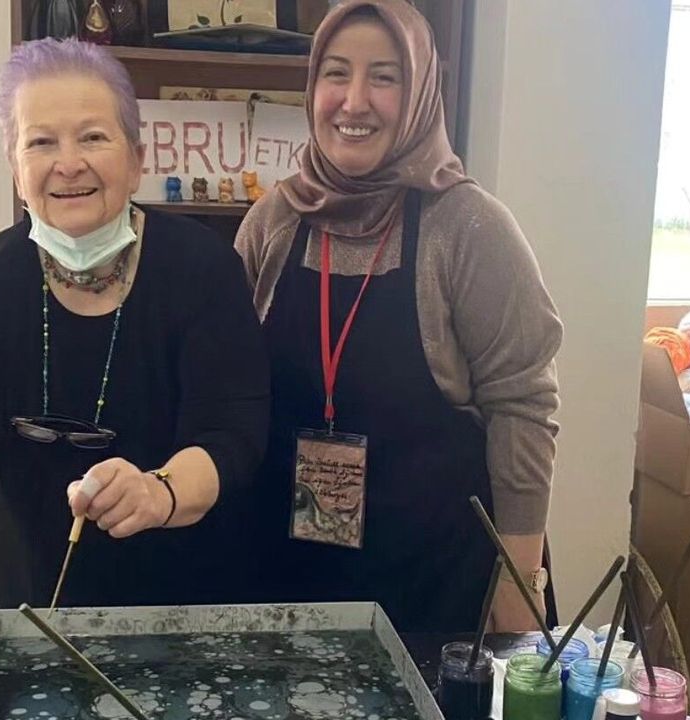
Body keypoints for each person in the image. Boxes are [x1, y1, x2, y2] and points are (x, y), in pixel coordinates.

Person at [0, 37, 269, 676]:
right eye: (41, 142)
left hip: (186, 627)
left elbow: (234, 436)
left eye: (93, 137)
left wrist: (158, 492)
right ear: (15, 166)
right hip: (25, 621)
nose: (68, 164)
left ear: (137, 158)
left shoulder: (204, 270)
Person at [235, 0, 562, 633]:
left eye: (384, 77)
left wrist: (519, 583)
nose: (354, 101)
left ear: (419, 93)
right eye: (336, 73)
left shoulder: (468, 228)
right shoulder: (272, 222)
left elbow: (523, 410)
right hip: (289, 577)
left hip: (439, 585)